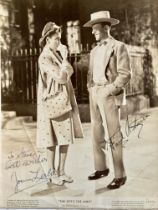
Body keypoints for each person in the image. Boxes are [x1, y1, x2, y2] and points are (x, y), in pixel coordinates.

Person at [83, 11, 131, 189]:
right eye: (92, 29)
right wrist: (91, 87)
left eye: (95, 28)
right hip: (94, 92)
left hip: (109, 94)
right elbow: (90, 72)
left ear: (106, 28)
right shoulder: (94, 50)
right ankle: (101, 168)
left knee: (114, 135)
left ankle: (120, 175)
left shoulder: (119, 47)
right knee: (96, 134)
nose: (93, 32)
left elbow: (125, 74)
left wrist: (109, 90)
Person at [36, 22, 83, 185]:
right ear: (48, 39)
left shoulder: (56, 54)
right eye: (56, 39)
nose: (60, 42)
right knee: (51, 140)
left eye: (60, 39)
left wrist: (64, 62)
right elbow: (63, 77)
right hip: (51, 102)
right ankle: (51, 173)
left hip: (62, 100)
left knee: (64, 137)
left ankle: (61, 171)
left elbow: (70, 70)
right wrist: (65, 61)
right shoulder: (44, 57)